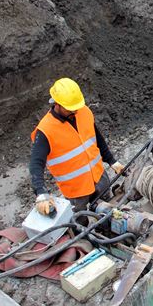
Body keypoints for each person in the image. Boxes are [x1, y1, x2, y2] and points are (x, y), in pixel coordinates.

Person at [30, 78, 124, 215]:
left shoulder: (84, 112)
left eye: (76, 107)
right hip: (76, 192)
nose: (74, 111)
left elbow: (97, 138)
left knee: (109, 212)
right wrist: (40, 193)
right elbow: (36, 164)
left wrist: (112, 161)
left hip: (99, 179)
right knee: (81, 222)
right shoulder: (45, 130)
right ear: (57, 104)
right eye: (70, 108)